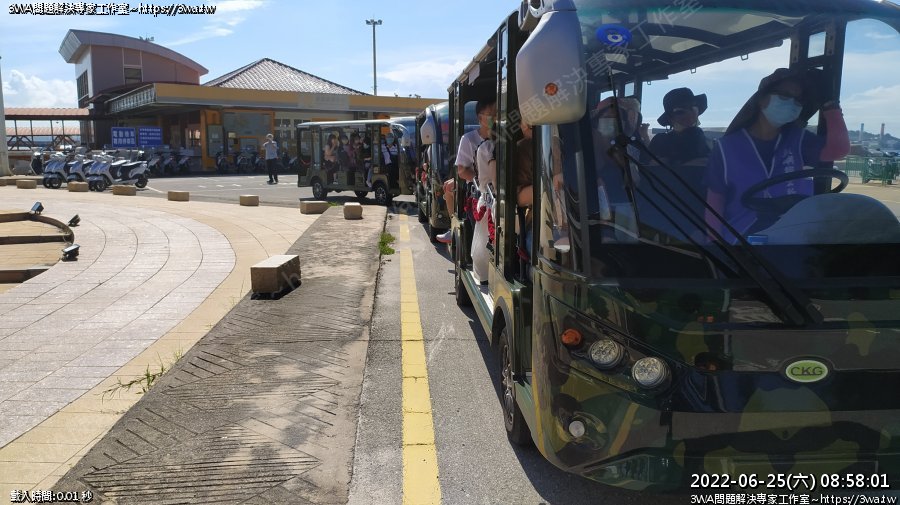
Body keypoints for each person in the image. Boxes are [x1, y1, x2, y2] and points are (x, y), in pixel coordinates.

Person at [705, 68, 850, 241]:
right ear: (761, 99)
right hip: (740, 237)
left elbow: (839, 149)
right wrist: (715, 243)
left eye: (798, 100)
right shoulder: (725, 148)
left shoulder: (798, 139)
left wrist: (830, 106)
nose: (791, 103)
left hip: (792, 231)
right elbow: (715, 200)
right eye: (784, 95)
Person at [436, 98, 497, 244]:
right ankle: (452, 227)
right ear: (480, 118)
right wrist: (483, 179)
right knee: (449, 187)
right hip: (477, 186)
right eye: (491, 114)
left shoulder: (504, 135)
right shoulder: (468, 139)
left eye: (497, 114)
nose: (495, 118)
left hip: (498, 184)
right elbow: (462, 170)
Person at [648, 87, 711, 165]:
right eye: (680, 111)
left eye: (692, 107)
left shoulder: (704, 139)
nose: (689, 113)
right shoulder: (660, 140)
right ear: (670, 117)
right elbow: (652, 168)